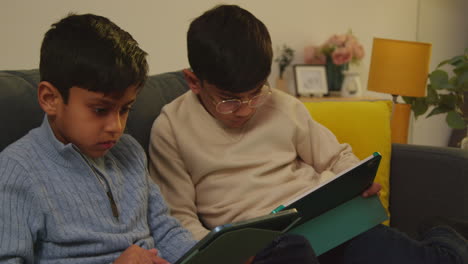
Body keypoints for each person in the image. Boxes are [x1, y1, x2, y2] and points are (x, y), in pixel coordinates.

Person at [148, 4, 468, 264]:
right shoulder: (171, 128)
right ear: (193, 81)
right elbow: (179, 220)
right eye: (230, 100)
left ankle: (444, 234)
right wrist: (231, 255)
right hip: (265, 251)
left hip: (330, 223)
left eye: (256, 92)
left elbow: (337, 156)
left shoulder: (284, 106)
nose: (246, 109)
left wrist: (354, 177)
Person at [0, 13, 197, 264]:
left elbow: (165, 230)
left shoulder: (129, 151)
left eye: (125, 109)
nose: (116, 126)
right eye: (100, 110)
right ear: (50, 99)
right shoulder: (17, 171)